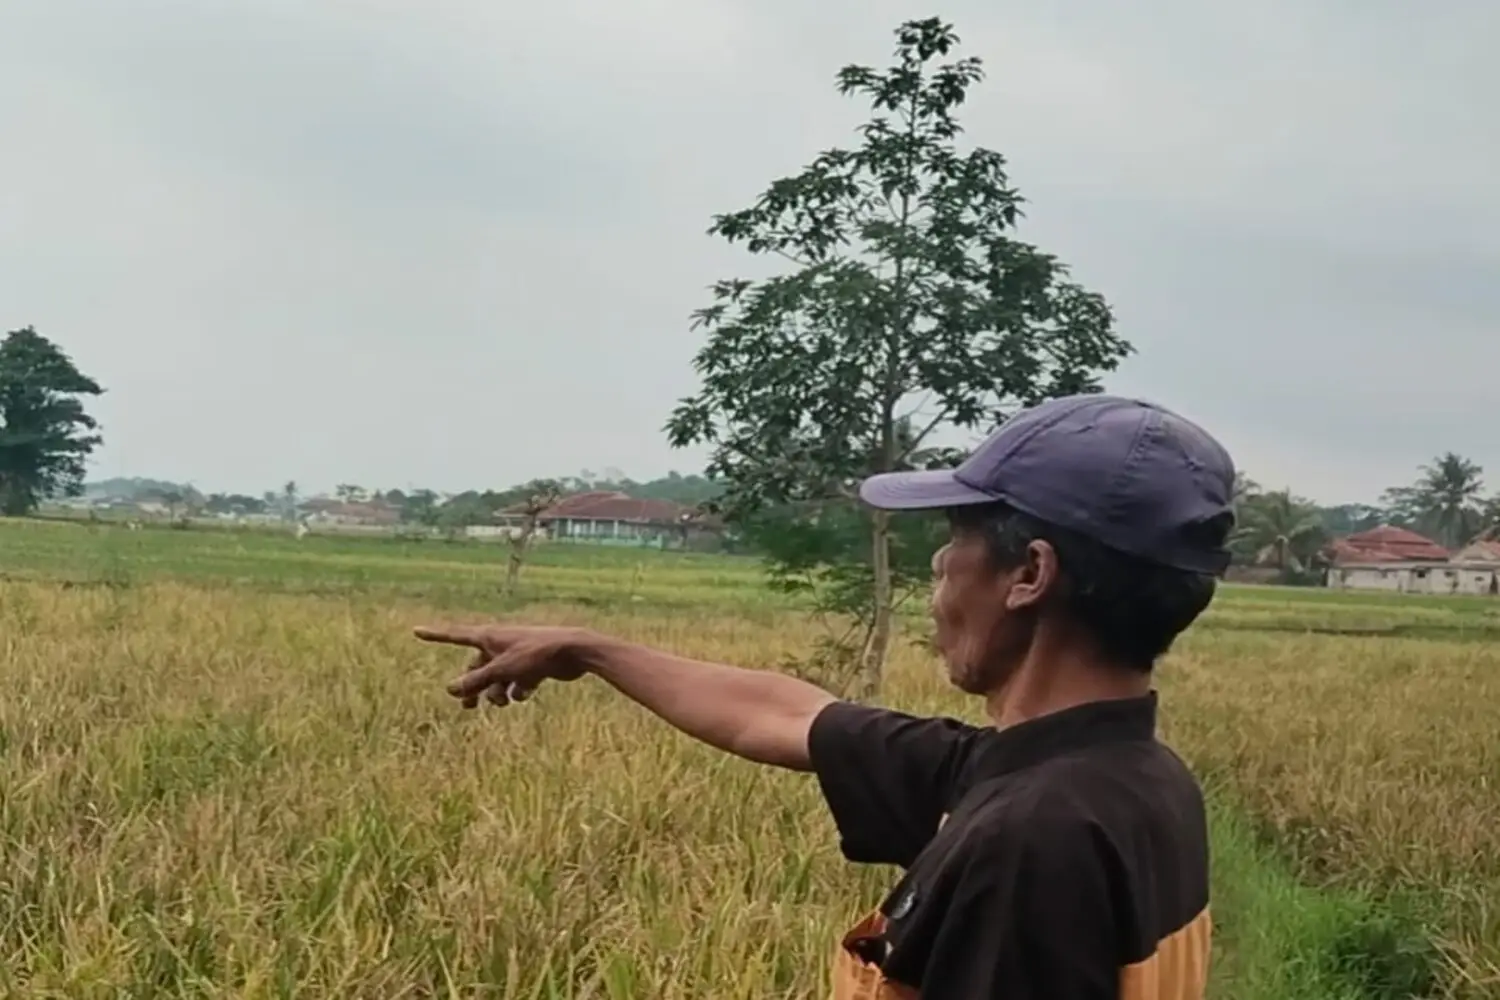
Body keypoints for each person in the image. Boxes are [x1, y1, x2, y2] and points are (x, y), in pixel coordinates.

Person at [415, 393, 1236, 999]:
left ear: (1030, 575)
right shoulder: (1120, 779)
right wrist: (591, 649)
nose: (939, 571)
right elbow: (786, 716)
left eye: (955, 538)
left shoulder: (1032, 843)